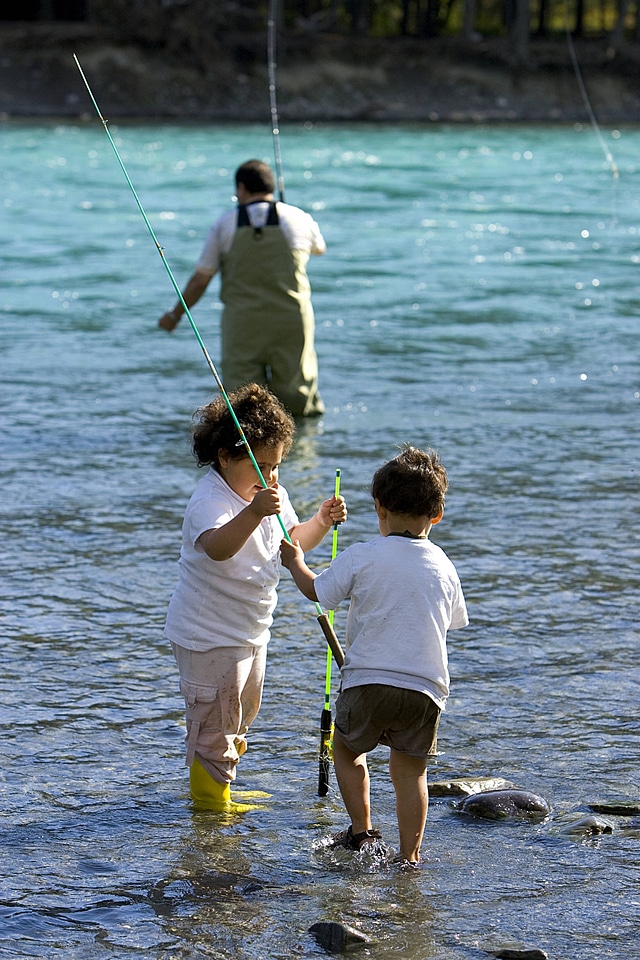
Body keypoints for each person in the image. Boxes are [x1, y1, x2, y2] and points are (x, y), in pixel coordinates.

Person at [280, 446, 468, 864]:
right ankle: (410, 857)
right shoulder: (445, 565)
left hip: (367, 679)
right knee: (410, 772)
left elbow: (319, 593)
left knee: (347, 751)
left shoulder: (362, 554)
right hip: (425, 688)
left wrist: (295, 562)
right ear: (437, 515)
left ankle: (362, 831)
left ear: (379, 507)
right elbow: (452, 622)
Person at [164, 383, 346, 810]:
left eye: (278, 466)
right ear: (226, 457)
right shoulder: (211, 500)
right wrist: (253, 511)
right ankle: (210, 805)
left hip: (251, 630)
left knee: (242, 713)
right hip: (207, 635)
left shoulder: (268, 496)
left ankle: (223, 784)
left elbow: (293, 541)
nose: (273, 478)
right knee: (214, 721)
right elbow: (218, 547)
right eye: (262, 466)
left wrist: (319, 520)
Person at [158, 159, 326, 418]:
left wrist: (175, 315)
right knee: (298, 398)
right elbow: (319, 249)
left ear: (242, 188)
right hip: (291, 321)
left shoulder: (225, 224)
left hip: (243, 325)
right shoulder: (298, 217)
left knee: (244, 405)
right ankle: (304, 453)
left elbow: (200, 280)